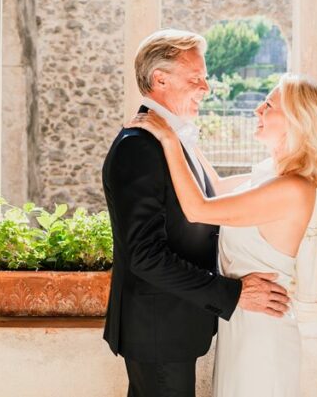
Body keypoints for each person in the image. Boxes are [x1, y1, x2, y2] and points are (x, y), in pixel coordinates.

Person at [102, 29, 291, 397]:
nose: (206, 87)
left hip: (172, 323)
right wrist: (234, 294)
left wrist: (285, 177)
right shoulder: (138, 148)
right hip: (157, 329)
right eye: (196, 78)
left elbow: (213, 195)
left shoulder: (172, 139)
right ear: (160, 79)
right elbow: (145, 257)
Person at [130, 72, 317, 397]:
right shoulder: (270, 175)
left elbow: (198, 208)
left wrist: (169, 140)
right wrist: (182, 132)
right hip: (242, 322)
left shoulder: (293, 189)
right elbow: (212, 187)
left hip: (262, 335)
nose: (257, 109)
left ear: (297, 122)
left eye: (268, 105)